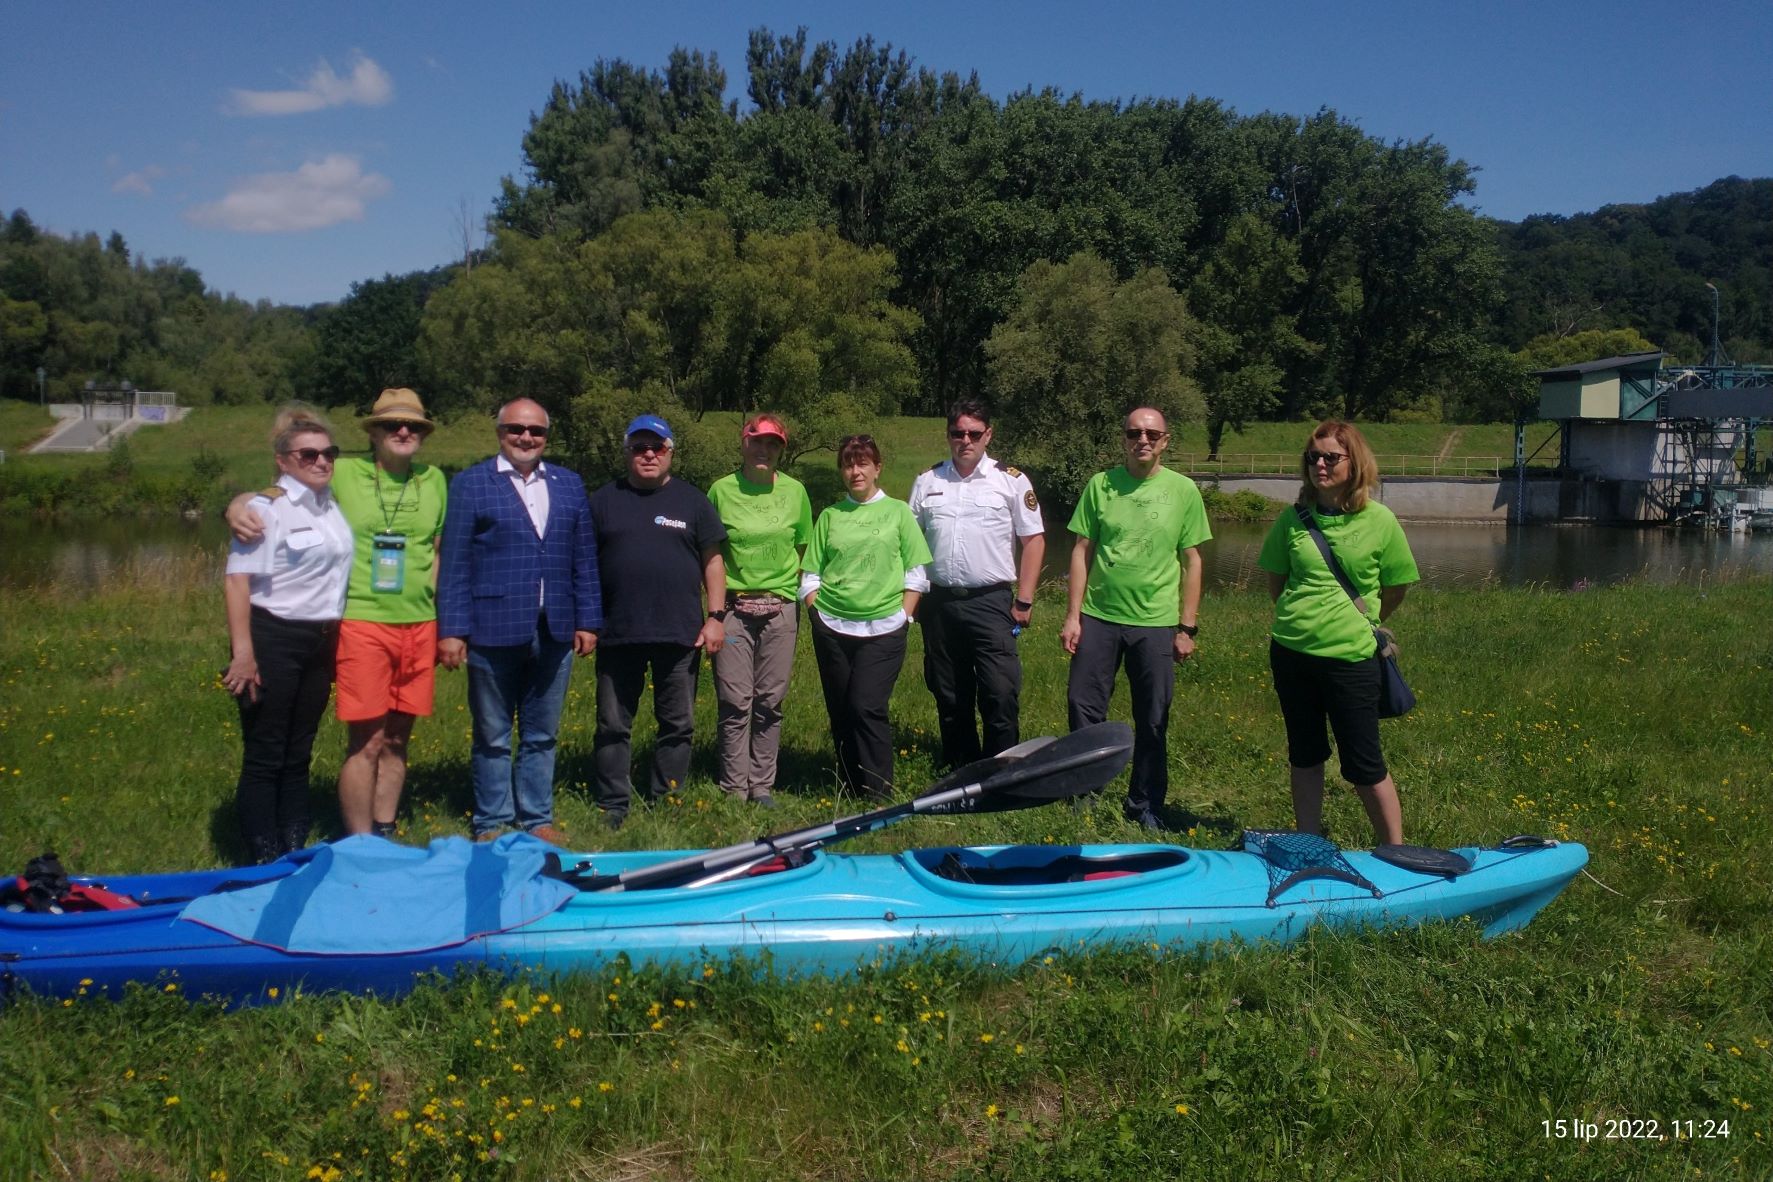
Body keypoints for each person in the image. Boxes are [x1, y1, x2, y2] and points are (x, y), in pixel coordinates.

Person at [227, 387, 447, 837]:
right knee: (365, 741)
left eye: (413, 425)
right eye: (391, 424)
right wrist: (236, 505)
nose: (403, 431)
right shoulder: (342, 472)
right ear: (374, 433)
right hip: (362, 624)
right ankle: (358, 841)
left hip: (419, 625)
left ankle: (383, 832)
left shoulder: (436, 481)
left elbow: (435, 549)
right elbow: (283, 484)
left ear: (423, 433)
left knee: (398, 740)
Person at [437, 399, 601, 845]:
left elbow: (584, 558)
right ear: (500, 432)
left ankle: (536, 817)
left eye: (536, 431)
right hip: (492, 628)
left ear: (547, 436)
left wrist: (588, 620)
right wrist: (451, 629)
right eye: (516, 429)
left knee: (542, 733)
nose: (526, 437)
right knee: (491, 734)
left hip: (555, 630)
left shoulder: (569, 485)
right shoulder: (471, 484)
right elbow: (454, 562)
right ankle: (491, 821)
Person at [1258, 420, 1419, 846]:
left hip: (1350, 658)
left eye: (1331, 457)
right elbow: (1278, 581)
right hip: (1292, 654)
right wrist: (1302, 616)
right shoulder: (1291, 520)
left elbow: (1397, 585)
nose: (1320, 465)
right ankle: (1309, 841)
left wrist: (1362, 618)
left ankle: (1394, 849)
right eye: (1313, 457)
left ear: (1355, 462)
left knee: (1364, 764)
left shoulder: (1379, 520)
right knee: (1305, 754)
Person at [1060, 407, 1211, 829]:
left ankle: (1144, 805)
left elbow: (1192, 560)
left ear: (1165, 440)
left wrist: (1186, 626)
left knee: (1153, 716)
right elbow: (1079, 550)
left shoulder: (1182, 491)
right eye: (1133, 433)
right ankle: (1085, 795)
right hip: (1099, 617)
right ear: (1123, 439)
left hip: (1155, 622)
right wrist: (1073, 616)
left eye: (1151, 433)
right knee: (1083, 707)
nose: (1141, 440)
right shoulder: (1100, 485)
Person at [222, 408, 354, 863]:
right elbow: (237, 580)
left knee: (299, 751)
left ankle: (292, 849)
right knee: (266, 752)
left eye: (328, 453)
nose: (321, 461)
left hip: (319, 642)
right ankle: (261, 855)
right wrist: (244, 654)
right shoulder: (265, 509)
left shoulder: (331, 505)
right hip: (272, 637)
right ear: (283, 460)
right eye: (309, 454)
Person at [589, 414, 727, 828]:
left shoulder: (693, 502)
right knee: (613, 724)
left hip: (680, 632)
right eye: (639, 447)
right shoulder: (602, 501)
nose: (648, 454)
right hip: (616, 631)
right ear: (628, 451)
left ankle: (666, 797)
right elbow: (582, 564)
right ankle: (613, 803)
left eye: (657, 447)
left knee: (678, 723)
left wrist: (716, 617)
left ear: (670, 452)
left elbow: (713, 562)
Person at [909, 400, 1045, 767]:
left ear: (988, 435)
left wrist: (1025, 600)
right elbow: (910, 543)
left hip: (992, 602)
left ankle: (1002, 770)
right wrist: (914, 595)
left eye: (973, 433)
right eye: (958, 433)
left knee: (999, 691)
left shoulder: (1011, 481)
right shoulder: (928, 481)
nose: (965, 440)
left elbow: (1033, 540)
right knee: (949, 691)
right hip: (938, 603)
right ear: (948, 435)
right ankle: (960, 768)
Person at [801, 434, 933, 801]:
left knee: (866, 705)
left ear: (878, 468)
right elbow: (811, 573)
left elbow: (916, 572)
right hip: (832, 626)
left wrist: (904, 616)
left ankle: (878, 794)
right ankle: (849, 787)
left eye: (862, 463)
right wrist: (816, 611)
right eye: (847, 464)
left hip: (884, 628)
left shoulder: (898, 513)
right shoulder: (830, 516)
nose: (855, 471)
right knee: (842, 709)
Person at [706, 413, 813, 808]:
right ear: (743, 442)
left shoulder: (796, 492)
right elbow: (711, 552)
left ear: (781, 449)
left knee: (770, 699)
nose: (764, 449)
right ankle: (733, 786)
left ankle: (761, 784)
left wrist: (786, 591)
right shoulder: (720, 490)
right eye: (757, 441)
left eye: (773, 443)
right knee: (735, 699)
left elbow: (802, 548)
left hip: (780, 610)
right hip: (733, 611)